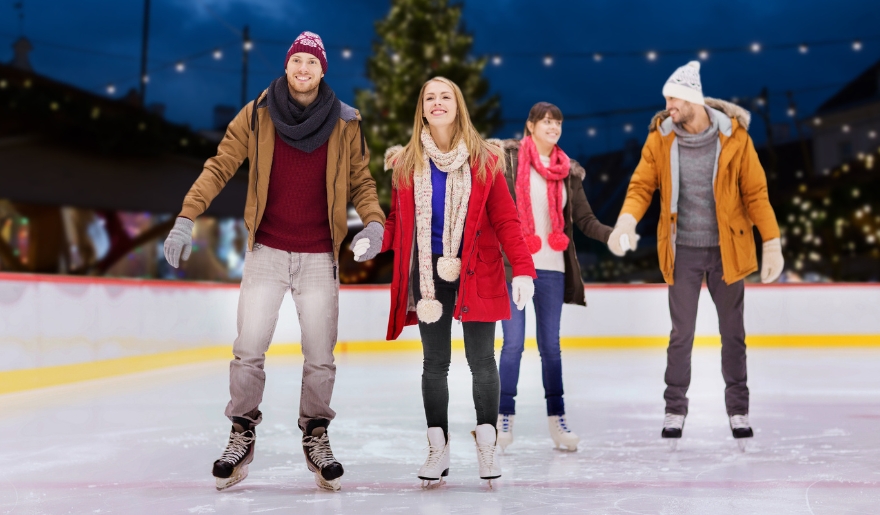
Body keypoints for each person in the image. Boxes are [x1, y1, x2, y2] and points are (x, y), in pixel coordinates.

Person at [163, 31, 385, 491]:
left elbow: (361, 180)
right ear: (288, 65)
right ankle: (241, 432)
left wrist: (374, 222)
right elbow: (220, 164)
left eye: (312, 63)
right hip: (267, 249)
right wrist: (186, 217)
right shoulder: (259, 113)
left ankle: (316, 434)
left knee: (321, 356)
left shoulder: (345, 122)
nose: (303, 70)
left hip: (320, 254)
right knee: (248, 350)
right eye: (297, 61)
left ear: (324, 70)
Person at [607, 61, 784, 450]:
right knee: (680, 335)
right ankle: (675, 409)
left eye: (673, 98)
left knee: (733, 335)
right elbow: (641, 186)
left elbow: (756, 194)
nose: (668, 105)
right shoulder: (660, 138)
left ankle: (739, 410)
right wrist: (625, 222)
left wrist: (771, 240)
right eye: (666, 98)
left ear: (691, 98)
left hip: (728, 249)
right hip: (682, 249)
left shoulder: (735, 137)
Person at [381, 77, 536, 487]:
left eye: (444, 96)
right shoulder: (407, 162)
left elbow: (506, 219)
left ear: (458, 105)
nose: (436, 103)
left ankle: (487, 444)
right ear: (422, 109)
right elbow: (397, 223)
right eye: (429, 97)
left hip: (476, 271)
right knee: (435, 364)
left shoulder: (485, 159)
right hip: (428, 276)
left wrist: (522, 268)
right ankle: (438, 448)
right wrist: (372, 237)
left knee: (482, 361)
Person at [494, 103, 613, 452]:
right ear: (530, 125)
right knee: (513, 344)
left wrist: (613, 234)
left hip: (553, 269)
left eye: (558, 121)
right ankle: (503, 419)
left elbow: (586, 220)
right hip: (516, 267)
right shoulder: (509, 161)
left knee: (551, 348)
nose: (553, 126)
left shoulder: (568, 173)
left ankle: (558, 421)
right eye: (546, 121)